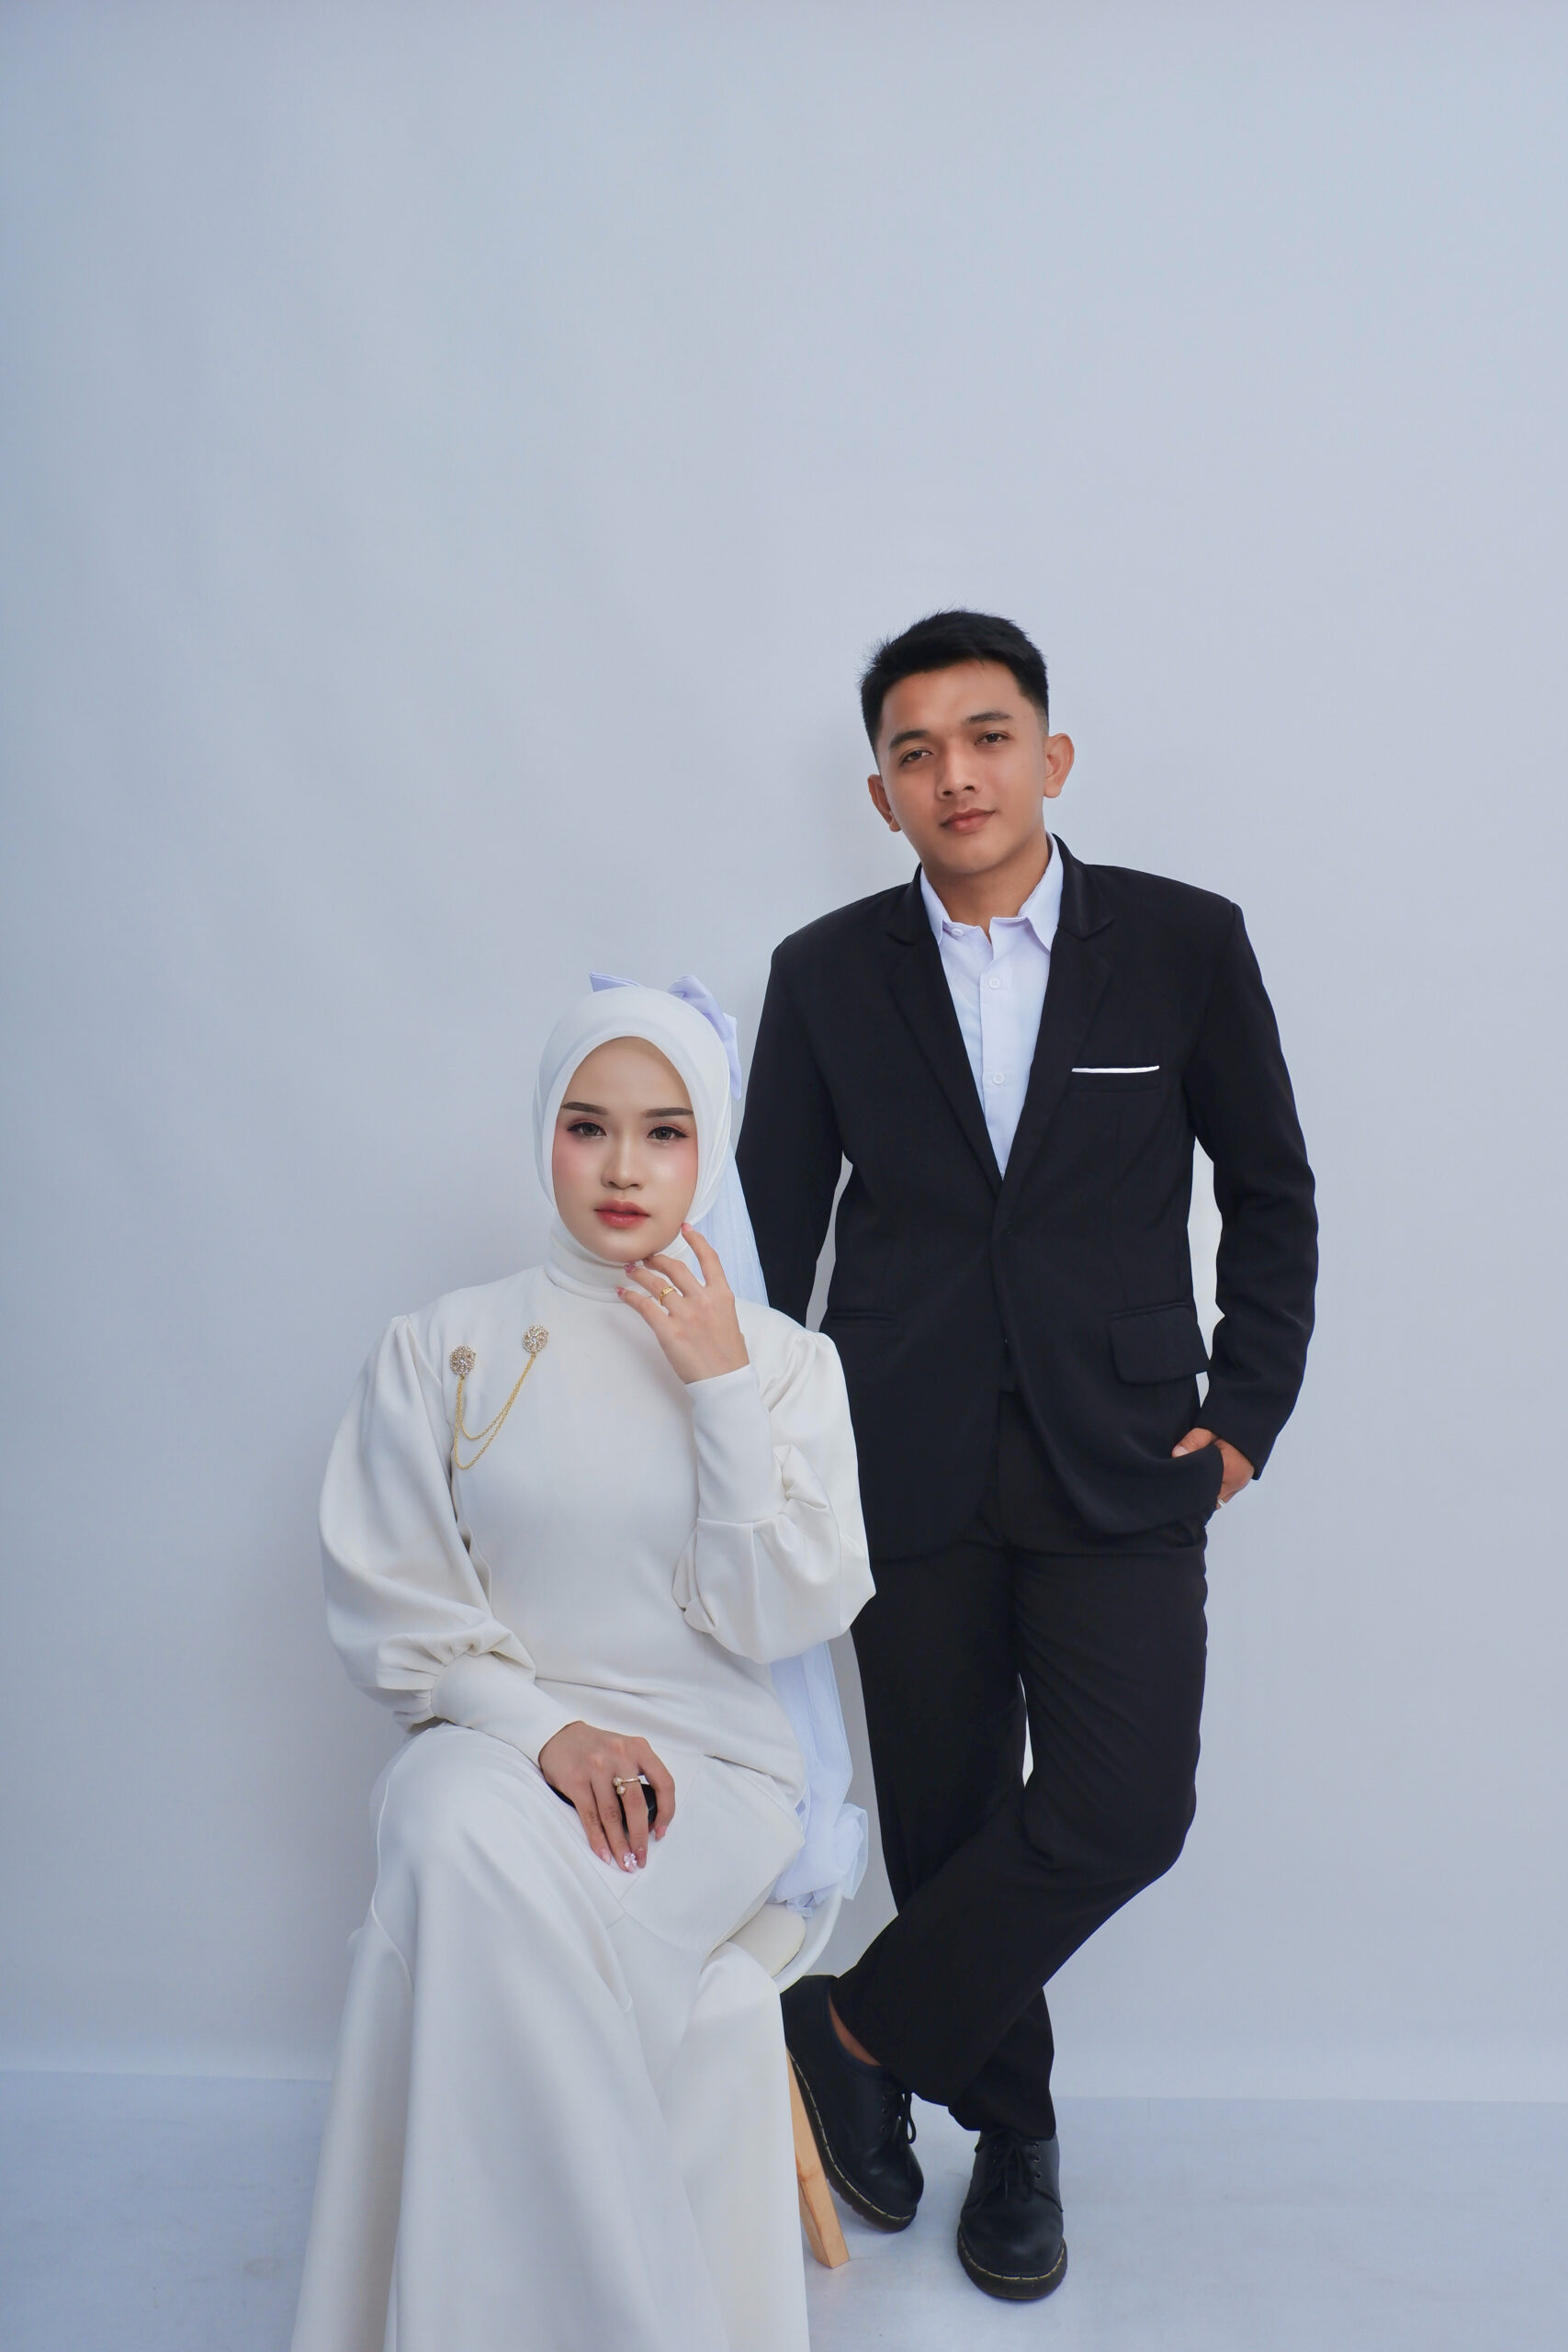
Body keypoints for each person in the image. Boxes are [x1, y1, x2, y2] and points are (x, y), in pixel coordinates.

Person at [738, 609, 1318, 2301]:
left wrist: (1246, 1415)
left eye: (987, 737)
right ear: (881, 795)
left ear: (1051, 758)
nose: (957, 774)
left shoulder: (1185, 944)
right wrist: (768, 1451)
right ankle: (1015, 2142)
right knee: (948, 1817)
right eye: (915, 752)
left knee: (1126, 1805)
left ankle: (848, 2032)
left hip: (1126, 1449)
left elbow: (1271, 1191)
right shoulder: (824, 974)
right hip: (898, 1457)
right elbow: (769, 1240)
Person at [291, 982, 874, 2352]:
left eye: (666, 1133)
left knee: (444, 1889)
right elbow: (395, 1601)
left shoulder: (785, 1368)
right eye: (587, 1126)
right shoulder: (444, 1345)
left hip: (708, 1780)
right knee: (444, 1822)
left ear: (709, 1147)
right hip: (497, 1751)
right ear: (543, 1133)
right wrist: (546, 1735)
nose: (623, 1168)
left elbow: (779, 1614)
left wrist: (717, 1389)